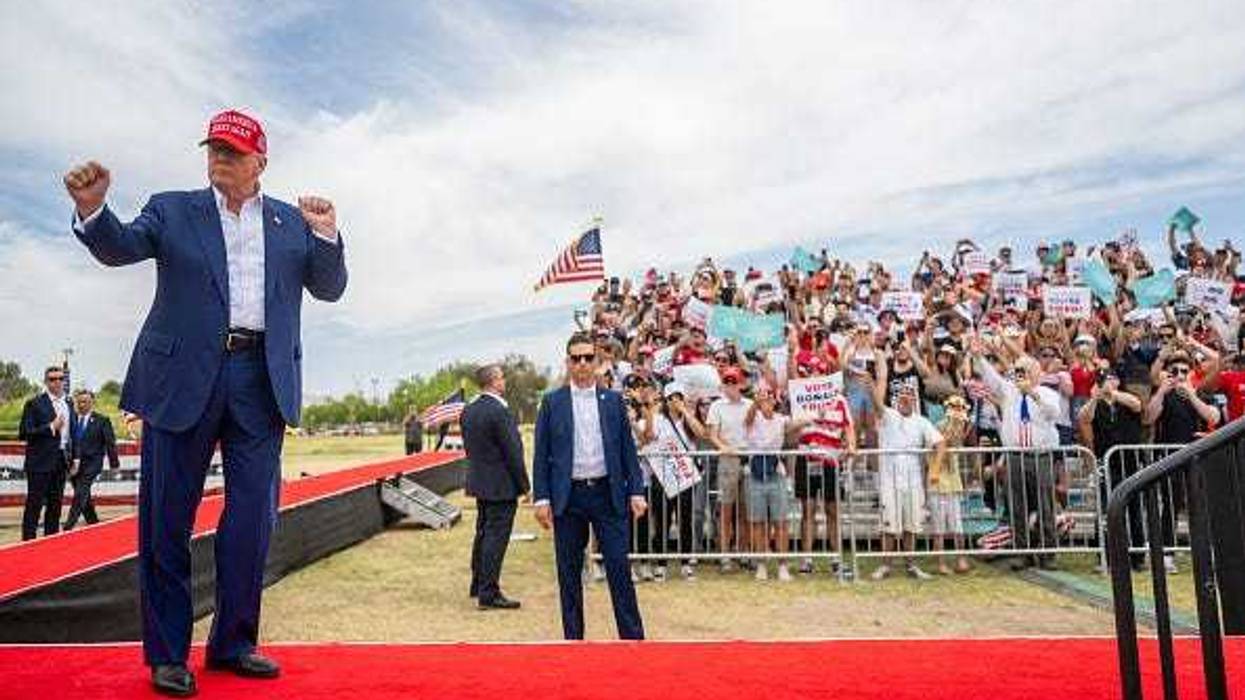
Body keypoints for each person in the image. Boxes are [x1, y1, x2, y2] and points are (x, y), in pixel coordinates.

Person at [64, 109, 347, 697]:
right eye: (214, 147)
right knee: (167, 519)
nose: (219, 157)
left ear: (260, 162)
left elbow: (328, 286)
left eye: (233, 151)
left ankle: (234, 643)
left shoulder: (291, 223)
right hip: (181, 379)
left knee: (252, 522)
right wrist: (93, 211)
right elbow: (120, 247)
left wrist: (326, 234)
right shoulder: (172, 209)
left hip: (260, 380)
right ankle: (168, 653)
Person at [532, 332, 647, 640]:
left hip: (607, 494)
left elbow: (627, 450)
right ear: (568, 362)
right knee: (569, 575)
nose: (582, 364)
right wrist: (541, 498)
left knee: (619, 569)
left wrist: (636, 490)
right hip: (568, 498)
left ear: (597, 362)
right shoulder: (552, 402)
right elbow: (541, 453)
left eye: (588, 358)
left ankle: (633, 640)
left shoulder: (612, 401)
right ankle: (573, 641)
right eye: (576, 358)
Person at [970, 342, 1063, 571]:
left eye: (1024, 371)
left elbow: (1054, 413)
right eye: (1017, 371)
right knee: (1017, 506)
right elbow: (991, 378)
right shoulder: (1008, 391)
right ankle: (1022, 552)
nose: (1019, 375)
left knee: (1045, 506)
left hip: (1040, 455)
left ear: (1035, 373)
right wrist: (978, 356)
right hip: (1014, 455)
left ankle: (1047, 554)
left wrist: (1031, 393)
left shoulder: (1047, 393)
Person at [460, 364, 530, 610]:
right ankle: (488, 592)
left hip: (480, 480)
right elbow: (513, 451)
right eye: (502, 377)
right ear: (493, 382)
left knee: (482, 533)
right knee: (495, 538)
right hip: (501, 484)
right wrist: (525, 485)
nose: (505, 381)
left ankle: (478, 583)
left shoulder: (469, 410)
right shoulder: (499, 411)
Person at [868, 363, 945, 581]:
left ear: (915, 399)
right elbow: (876, 404)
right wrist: (872, 385)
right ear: (896, 398)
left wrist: (935, 469)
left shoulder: (922, 422)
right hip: (889, 479)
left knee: (912, 524)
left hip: (913, 480)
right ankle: (885, 566)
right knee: (889, 525)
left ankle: (911, 565)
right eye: (902, 394)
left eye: (910, 394)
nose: (906, 398)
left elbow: (940, 443)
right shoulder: (888, 415)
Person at [18, 366, 76, 540]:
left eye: (60, 378)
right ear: (46, 382)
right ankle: (27, 544)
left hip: (61, 462)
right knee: (34, 506)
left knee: (55, 506)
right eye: (52, 379)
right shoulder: (34, 403)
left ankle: (50, 543)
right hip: (39, 463)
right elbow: (24, 433)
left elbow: (72, 434)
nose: (57, 382)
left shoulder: (69, 403)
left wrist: (75, 458)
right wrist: (50, 427)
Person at [705, 365, 754, 571]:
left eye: (734, 381)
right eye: (727, 382)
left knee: (745, 510)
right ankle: (725, 555)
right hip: (727, 459)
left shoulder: (750, 404)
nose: (731, 385)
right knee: (725, 510)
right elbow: (712, 435)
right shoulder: (716, 406)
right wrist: (724, 448)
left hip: (748, 457)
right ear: (723, 385)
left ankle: (743, 553)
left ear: (741, 383)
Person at [64, 389, 120, 530]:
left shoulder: (102, 421)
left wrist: (114, 465)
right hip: (74, 465)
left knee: (79, 495)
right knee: (84, 497)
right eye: (80, 402)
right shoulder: (72, 420)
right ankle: (94, 525)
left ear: (92, 402)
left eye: (86, 401)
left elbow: (110, 444)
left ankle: (67, 527)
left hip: (92, 465)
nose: (82, 404)